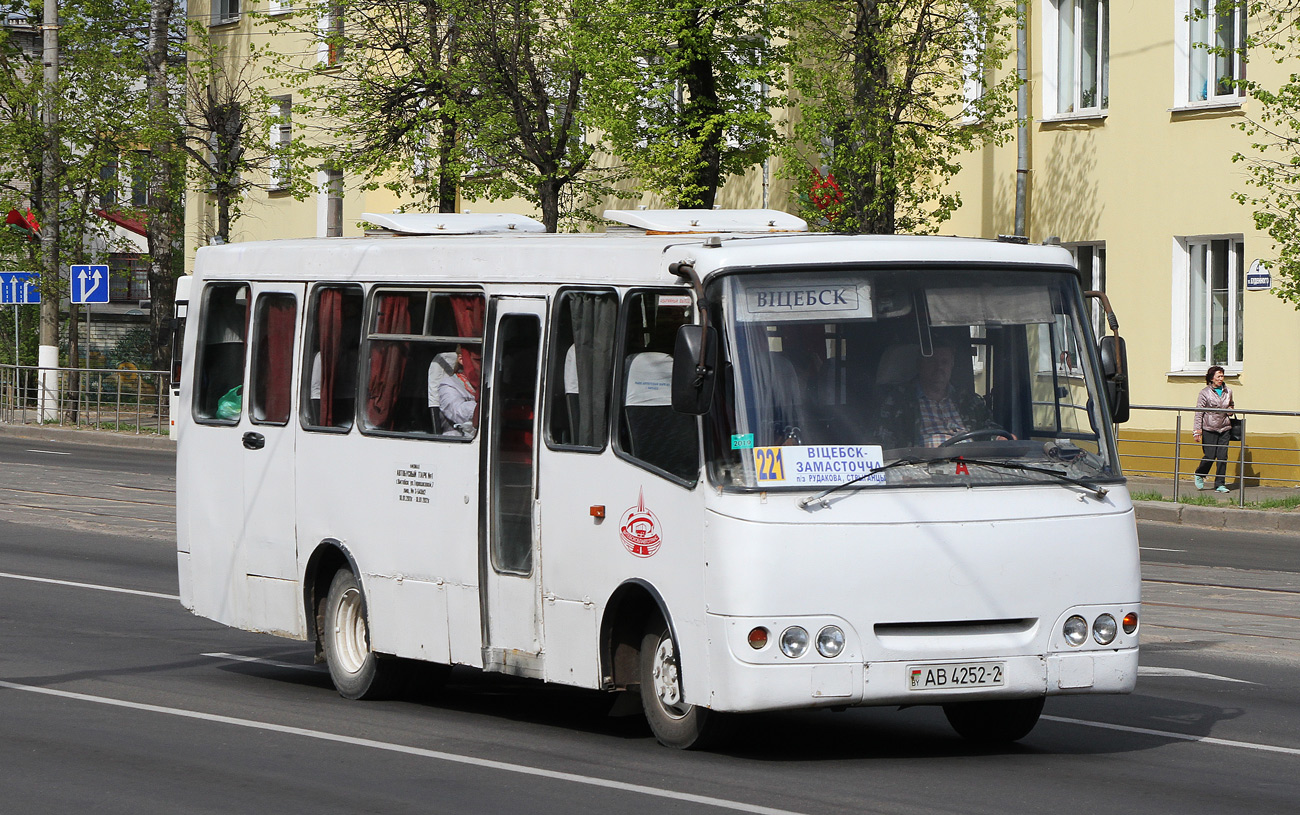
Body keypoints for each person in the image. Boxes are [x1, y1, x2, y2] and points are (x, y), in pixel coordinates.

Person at [875, 331, 1000, 449]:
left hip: (972, 467)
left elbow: (989, 430)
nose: (939, 368)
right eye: (932, 361)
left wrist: (999, 438)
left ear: (952, 365)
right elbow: (884, 442)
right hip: (919, 469)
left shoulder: (970, 401)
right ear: (920, 364)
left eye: (944, 362)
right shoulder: (898, 401)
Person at [1193, 365, 1234, 492]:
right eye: (1218, 376)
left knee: (1222, 456)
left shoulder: (1228, 391)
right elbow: (1199, 412)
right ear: (1211, 378)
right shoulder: (1205, 393)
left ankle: (1220, 484)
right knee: (1210, 455)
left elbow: (1232, 405)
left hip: (1225, 427)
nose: (1221, 378)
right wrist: (1197, 431)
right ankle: (1200, 474)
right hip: (1209, 428)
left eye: (1222, 376)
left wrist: (1230, 411)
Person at [437, 346, 479, 437]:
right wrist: (483, 407)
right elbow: (457, 412)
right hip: (458, 439)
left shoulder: (487, 384)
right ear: (461, 360)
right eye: (478, 361)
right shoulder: (449, 384)